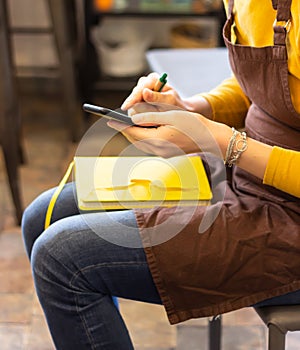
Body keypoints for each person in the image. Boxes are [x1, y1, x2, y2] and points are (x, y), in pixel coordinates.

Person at [22, 0, 300, 348]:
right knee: (42, 218)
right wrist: (193, 108)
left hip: (290, 222)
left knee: (62, 258)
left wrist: (220, 141)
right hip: (245, 171)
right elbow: (269, 86)